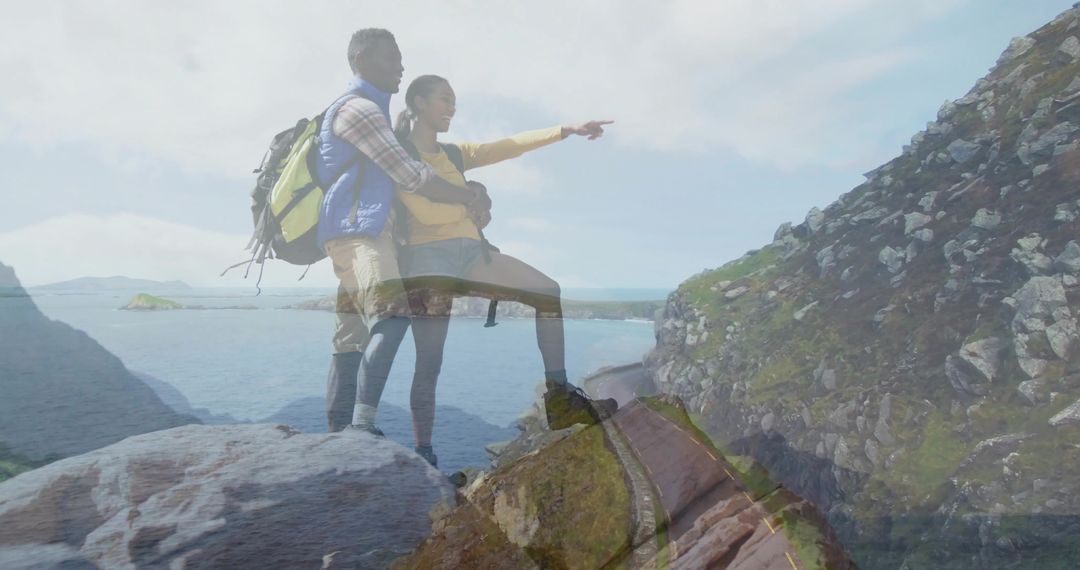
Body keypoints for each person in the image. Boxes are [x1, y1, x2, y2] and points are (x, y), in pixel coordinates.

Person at [391, 74, 618, 467]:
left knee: (547, 290)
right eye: (444, 99)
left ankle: (560, 396)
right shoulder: (397, 155)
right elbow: (424, 209)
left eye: (454, 100)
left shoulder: (454, 154)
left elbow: (508, 147)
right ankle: (424, 452)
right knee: (430, 361)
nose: (452, 108)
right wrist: (472, 198)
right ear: (417, 103)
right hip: (428, 260)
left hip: (473, 254)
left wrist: (567, 130)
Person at [320, 30, 483, 440]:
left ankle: (338, 435)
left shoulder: (372, 110)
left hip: (360, 233)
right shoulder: (360, 110)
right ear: (361, 59)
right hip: (360, 234)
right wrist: (468, 195)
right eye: (391, 58)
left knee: (351, 337)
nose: (401, 67)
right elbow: (411, 177)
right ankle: (360, 425)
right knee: (391, 315)